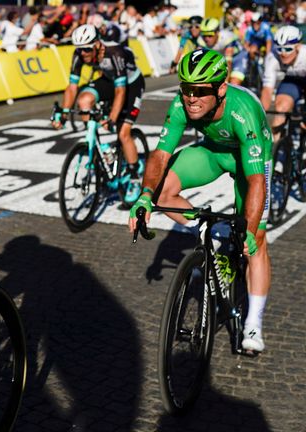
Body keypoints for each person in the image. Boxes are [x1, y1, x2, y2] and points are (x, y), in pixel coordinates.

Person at [128, 48, 272, 353]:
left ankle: (254, 323)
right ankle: (213, 235)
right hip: (214, 151)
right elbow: (160, 154)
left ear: (220, 89)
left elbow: (257, 180)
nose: (191, 97)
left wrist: (249, 227)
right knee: (162, 191)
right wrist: (143, 196)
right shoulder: (182, 104)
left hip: (249, 159)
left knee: (255, 240)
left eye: (200, 90)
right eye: (186, 88)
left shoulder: (242, 110)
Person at [52, 24, 146, 205]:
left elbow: (121, 91)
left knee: (123, 132)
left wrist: (112, 117)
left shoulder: (115, 52)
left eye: (87, 49)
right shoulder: (79, 54)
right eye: (79, 50)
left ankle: (135, 175)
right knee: (84, 101)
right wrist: (63, 113)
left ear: (97, 44)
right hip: (109, 80)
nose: (83, 54)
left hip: (132, 85)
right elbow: (72, 87)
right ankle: (98, 146)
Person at [261, 26, 306, 142]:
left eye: (288, 49)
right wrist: (260, 119)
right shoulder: (272, 58)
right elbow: (267, 90)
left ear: (298, 47)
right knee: (281, 109)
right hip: (291, 81)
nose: (283, 54)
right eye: (279, 49)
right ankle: (273, 154)